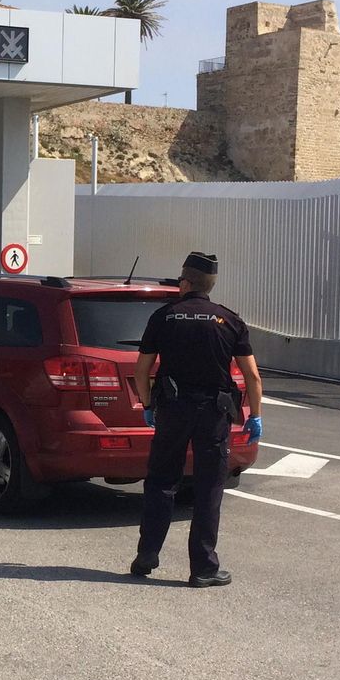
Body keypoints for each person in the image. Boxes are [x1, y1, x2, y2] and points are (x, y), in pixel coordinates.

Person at [130, 251, 264, 588]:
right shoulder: (230, 320)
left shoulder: (164, 317)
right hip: (214, 414)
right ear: (210, 284)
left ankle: (147, 555)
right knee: (209, 488)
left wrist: (147, 404)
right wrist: (255, 417)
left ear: (186, 282)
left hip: (173, 410)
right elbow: (252, 377)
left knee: (160, 481)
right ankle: (203, 568)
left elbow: (142, 369)